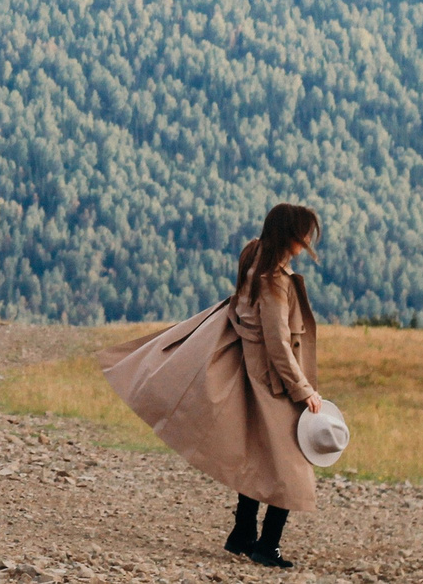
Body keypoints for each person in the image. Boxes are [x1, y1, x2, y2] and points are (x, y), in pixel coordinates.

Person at [99, 203, 326, 570]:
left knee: (255, 452)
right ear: (290, 235)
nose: (307, 242)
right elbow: (278, 343)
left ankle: (241, 534)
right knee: (291, 462)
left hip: (248, 367)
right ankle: (267, 546)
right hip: (271, 379)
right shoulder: (273, 280)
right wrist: (304, 390)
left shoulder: (252, 253)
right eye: (304, 234)